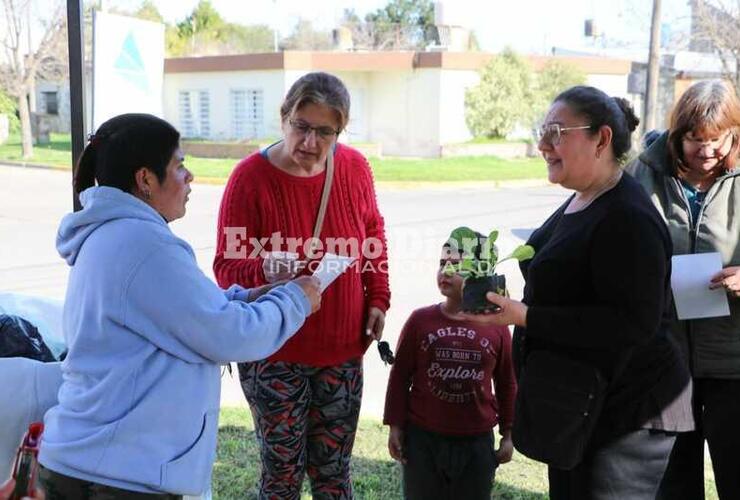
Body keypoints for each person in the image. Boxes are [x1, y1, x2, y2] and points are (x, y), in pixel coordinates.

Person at [37, 113, 321, 499]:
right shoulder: (143, 244)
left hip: (98, 463)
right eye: (179, 165)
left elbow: (183, 311)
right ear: (145, 180)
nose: (190, 178)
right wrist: (295, 300)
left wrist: (248, 296)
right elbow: (227, 335)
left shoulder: (117, 235)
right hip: (116, 476)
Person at [474, 86, 693, 499]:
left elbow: (633, 324)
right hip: (581, 404)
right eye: (543, 132)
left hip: (628, 413)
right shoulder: (583, 196)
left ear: (602, 139)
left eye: (556, 132)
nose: (543, 145)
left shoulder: (629, 216)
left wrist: (527, 317)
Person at [213, 72, 390, 499]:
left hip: (341, 350)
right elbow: (226, 266)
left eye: (324, 132)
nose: (310, 143)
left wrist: (378, 296)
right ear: (284, 119)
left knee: (333, 476)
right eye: (302, 127)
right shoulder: (249, 178)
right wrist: (267, 269)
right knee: (282, 478)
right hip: (275, 354)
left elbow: (371, 233)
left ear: (339, 132)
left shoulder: (355, 168)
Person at [626, 79, 740, 500]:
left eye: (718, 139)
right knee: (672, 485)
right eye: (695, 139)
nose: (707, 151)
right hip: (666, 360)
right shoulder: (645, 173)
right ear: (678, 134)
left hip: (734, 364)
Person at [383, 238, 516, 500]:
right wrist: (395, 426)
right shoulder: (420, 321)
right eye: (442, 263)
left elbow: (506, 382)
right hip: (423, 439)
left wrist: (509, 434)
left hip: (476, 443)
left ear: (480, 273)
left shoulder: (497, 326)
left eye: (456, 265)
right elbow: (399, 377)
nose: (445, 271)